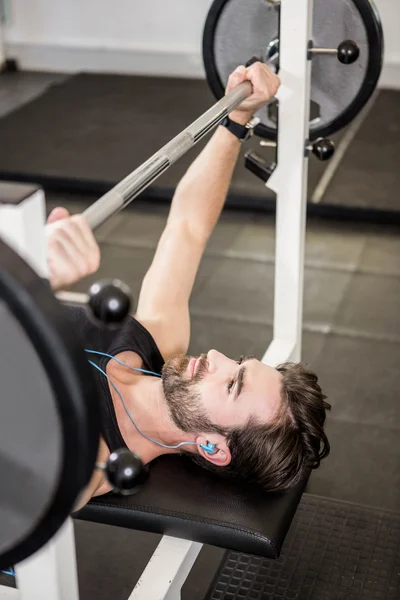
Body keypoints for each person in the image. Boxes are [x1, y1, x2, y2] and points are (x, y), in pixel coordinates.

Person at [45, 62, 331, 509]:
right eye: (236, 362)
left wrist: (29, 286)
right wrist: (237, 120)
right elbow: (188, 228)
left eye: (231, 384)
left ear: (214, 446)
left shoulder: (84, 462)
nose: (213, 357)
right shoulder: (155, 342)